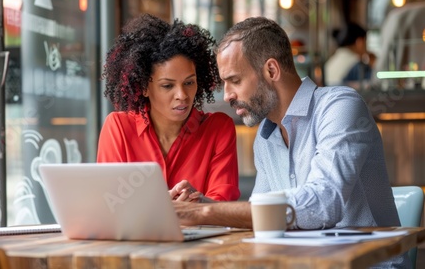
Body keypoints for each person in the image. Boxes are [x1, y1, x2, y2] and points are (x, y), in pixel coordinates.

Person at [173, 16, 409, 268]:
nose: (228, 95)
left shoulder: (340, 107)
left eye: (235, 80)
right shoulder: (266, 137)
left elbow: (323, 203)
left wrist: (204, 213)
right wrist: (198, 204)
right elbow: (260, 216)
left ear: (271, 70)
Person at [97, 14, 240, 203]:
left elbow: (224, 205)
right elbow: (108, 204)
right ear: (144, 87)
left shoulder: (218, 129)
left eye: (189, 82)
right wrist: (162, 208)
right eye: (167, 85)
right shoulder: (119, 128)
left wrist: (198, 203)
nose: (182, 95)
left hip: (204, 232)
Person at [324, 22, 375, 87]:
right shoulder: (357, 65)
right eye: (365, 42)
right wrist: (374, 64)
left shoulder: (330, 62)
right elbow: (374, 83)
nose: (366, 47)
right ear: (360, 42)